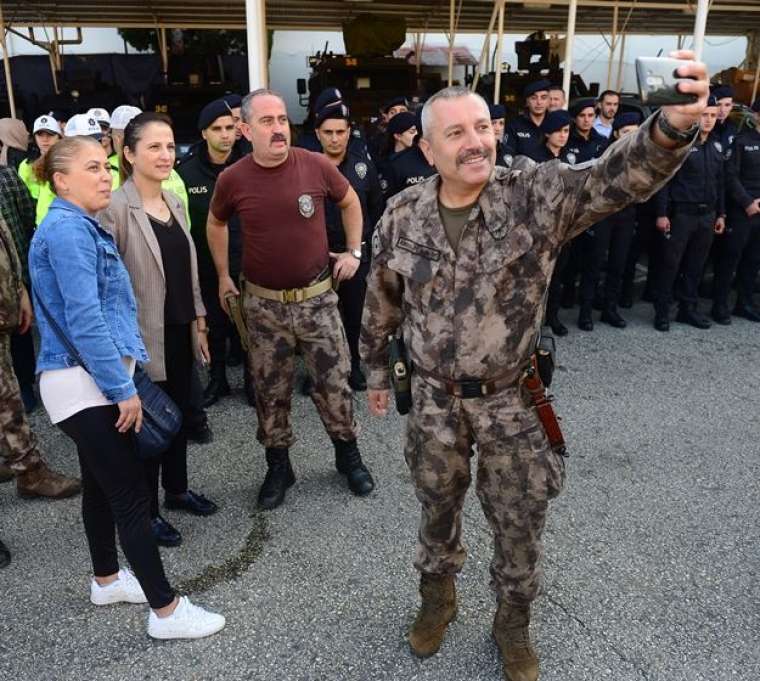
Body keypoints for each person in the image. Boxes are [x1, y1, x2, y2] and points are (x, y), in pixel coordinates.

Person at [360, 51, 707, 681]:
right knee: (436, 509)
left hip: (512, 402)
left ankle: (512, 625)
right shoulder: (402, 214)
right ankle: (437, 601)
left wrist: (672, 126)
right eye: (456, 133)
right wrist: (378, 375)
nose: (476, 142)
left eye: (483, 127)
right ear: (428, 150)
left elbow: (615, 177)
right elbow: (381, 299)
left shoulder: (534, 196)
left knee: (519, 521)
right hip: (435, 402)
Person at [28, 134, 225, 639]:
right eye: (92, 168)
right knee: (131, 496)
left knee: (99, 487)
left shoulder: (76, 226)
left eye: (106, 166)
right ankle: (166, 610)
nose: (104, 176)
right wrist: (122, 387)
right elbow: (86, 319)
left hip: (79, 379)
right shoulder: (70, 231)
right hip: (85, 381)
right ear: (60, 181)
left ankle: (107, 579)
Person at [207, 88, 375, 509]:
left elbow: (351, 201)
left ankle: (347, 456)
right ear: (245, 130)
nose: (278, 128)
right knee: (269, 390)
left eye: (282, 119)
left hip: (318, 300)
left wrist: (355, 252)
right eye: (267, 121)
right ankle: (279, 465)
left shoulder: (315, 165)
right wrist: (224, 274)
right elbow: (215, 223)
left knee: (334, 384)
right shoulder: (233, 178)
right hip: (263, 307)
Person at [99, 113, 218, 549]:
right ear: (128, 154)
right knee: (151, 427)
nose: (165, 154)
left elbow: (188, 270)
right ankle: (147, 511)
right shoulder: (114, 208)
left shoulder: (174, 201)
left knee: (183, 412)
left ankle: (179, 489)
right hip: (142, 336)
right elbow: (106, 284)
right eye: (153, 146)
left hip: (181, 327)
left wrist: (200, 321)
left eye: (170, 146)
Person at [176, 99, 251, 407]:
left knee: (250, 328)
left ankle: (252, 382)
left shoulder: (251, 165)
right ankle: (217, 380)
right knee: (216, 328)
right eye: (217, 129)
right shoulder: (186, 173)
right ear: (204, 133)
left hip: (249, 263)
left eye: (230, 128)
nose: (225, 135)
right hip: (208, 266)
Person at [314, 101, 385, 391]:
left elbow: (376, 210)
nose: (334, 138)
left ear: (348, 132)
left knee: (356, 317)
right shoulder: (306, 167)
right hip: (319, 256)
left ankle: (355, 366)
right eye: (328, 132)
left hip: (357, 255)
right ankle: (320, 372)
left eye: (340, 132)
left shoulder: (362, 166)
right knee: (318, 321)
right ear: (318, 133)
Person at [653, 96, 725, 331]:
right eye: (705, 114)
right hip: (682, 214)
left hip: (707, 215)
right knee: (670, 264)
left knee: (696, 266)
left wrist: (721, 214)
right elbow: (665, 179)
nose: (709, 120)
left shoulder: (717, 144)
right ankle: (662, 312)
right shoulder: (682, 143)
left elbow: (720, 182)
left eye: (713, 115)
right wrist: (662, 213)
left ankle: (687, 309)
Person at [578, 112, 642, 330]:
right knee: (594, 264)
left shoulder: (641, 156)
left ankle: (609, 309)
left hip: (626, 214)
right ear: (616, 133)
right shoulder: (603, 151)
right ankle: (585, 311)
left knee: (618, 264)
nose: (630, 137)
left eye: (634, 133)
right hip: (603, 214)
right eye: (626, 132)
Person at [515, 109, 574, 336]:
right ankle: (529, 321)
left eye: (567, 131)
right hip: (538, 229)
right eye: (558, 131)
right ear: (547, 133)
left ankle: (552, 318)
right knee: (533, 280)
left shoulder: (570, 156)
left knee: (557, 278)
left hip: (564, 227)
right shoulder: (533, 157)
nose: (563, 135)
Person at [712, 98, 760, 323]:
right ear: (756, 115)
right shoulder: (741, 141)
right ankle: (719, 306)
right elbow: (730, 176)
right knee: (730, 259)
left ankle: (744, 303)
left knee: (753, 261)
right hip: (742, 211)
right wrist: (747, 203)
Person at [1, 160, 38, 413]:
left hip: (15, 274)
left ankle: (25, 386)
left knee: (20, 333)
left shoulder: (8, 178)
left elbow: (27, 215)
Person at [502, 79, 551, 164]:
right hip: (522, 174)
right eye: (533, 98)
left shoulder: (556, 124)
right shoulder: (515, 126)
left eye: (543, 98)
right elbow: (507, 155)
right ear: (527, 102)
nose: (539, 102)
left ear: (549, 101)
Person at [18, 113, 61, 204]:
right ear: (34, 137)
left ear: (59, 137)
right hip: (39, 217)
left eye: (50, 134)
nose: (45, 139)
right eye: (40, 134)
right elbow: (24, 198)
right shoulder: (26, 164)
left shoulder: (68, 161)